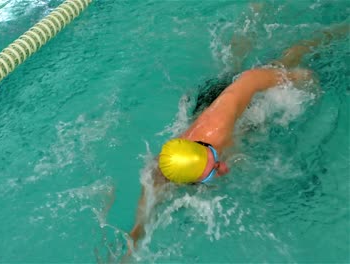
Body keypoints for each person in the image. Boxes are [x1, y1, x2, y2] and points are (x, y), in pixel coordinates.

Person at [128, 20, 349, 248]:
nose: (223, 168)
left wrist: (295, 78)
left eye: (215, 160)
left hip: (226, 99)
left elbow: (250, 80)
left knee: (289, 56)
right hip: (217, 114)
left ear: (205, 146)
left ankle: (336, 29)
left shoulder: (217, 127)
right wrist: (134, 239)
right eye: (211, 174)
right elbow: (143, 216)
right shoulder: (163, 174)